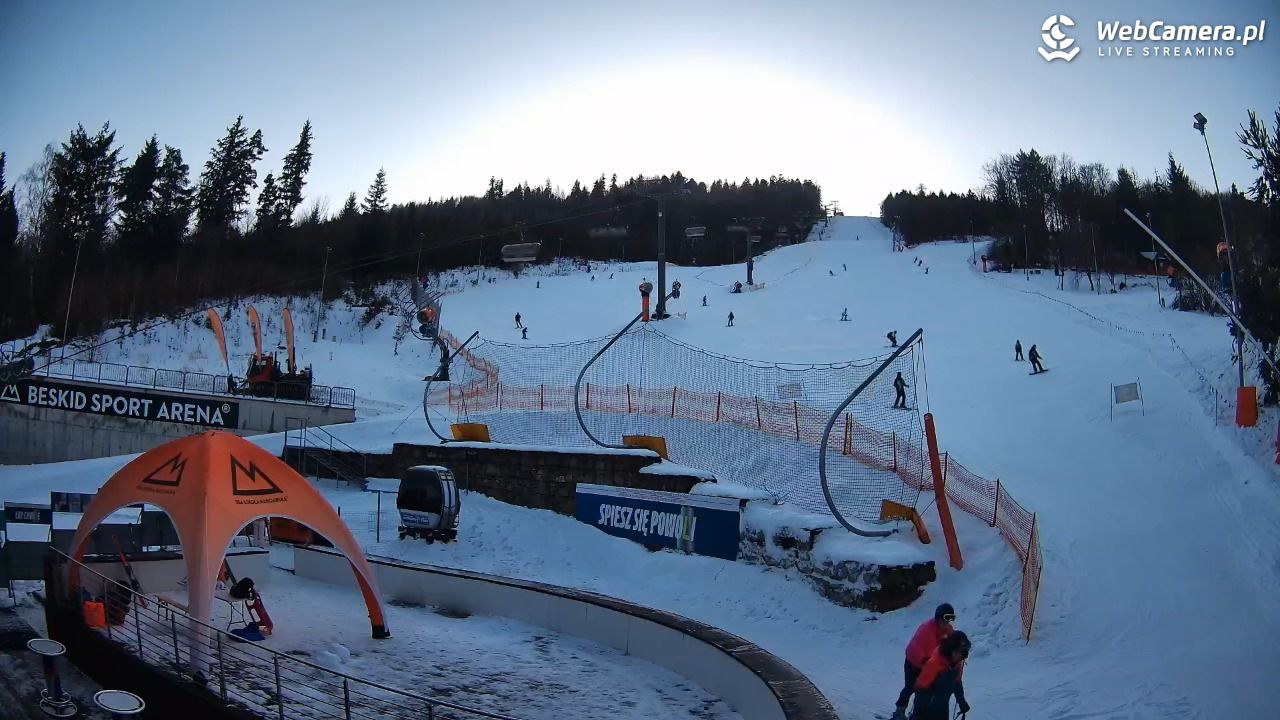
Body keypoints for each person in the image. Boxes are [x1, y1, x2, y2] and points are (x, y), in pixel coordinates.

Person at [892, 603, 956, 719]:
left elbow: (954, 640)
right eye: (945, 619)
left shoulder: (947, 630)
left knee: (925, 689)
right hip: (914, 661)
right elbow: (923, 652)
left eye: (950, 619)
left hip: (927, 663)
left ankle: (917, 714)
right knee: (911, 686)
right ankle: (899, 710)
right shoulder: (927, 631)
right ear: (938, 618)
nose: (947, 623)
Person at [910, 631, 970, 720]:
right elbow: (920, 689)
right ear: (950, 649)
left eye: (963, 654)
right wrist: (917, 715)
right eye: (958, 652)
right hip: (926, 710)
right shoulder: (934, 664)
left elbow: (957, 683)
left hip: (942, 709)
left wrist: (961, 701)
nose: (960, 656)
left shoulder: (957, 664)